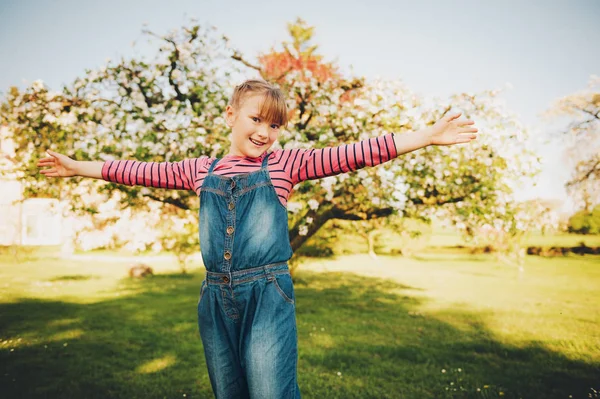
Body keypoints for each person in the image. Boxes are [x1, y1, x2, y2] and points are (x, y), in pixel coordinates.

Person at [37, 79, 478, 398]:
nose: (264, 132)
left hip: (267, 294)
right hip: (214, 298)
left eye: (274, 125)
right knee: (229, 391)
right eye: (255, 119)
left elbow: (354, 154)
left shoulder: (284, 165)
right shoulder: (199, 170)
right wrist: (77, 166)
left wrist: (426, 137)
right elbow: (134, 171)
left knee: (271, 391)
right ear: (230, 115)